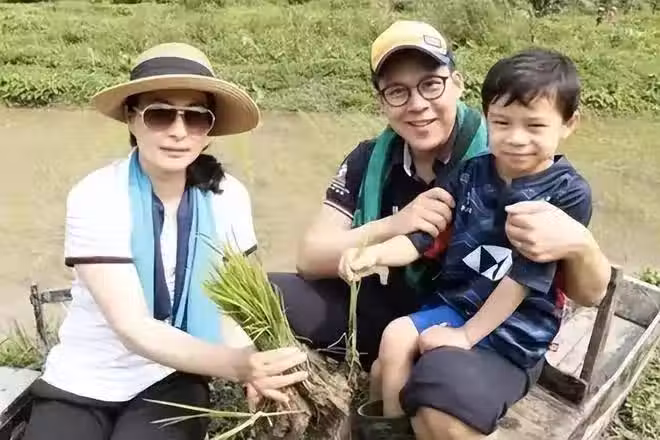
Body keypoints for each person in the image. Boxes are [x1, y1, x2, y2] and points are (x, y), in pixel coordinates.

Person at [269, 20, 611, 439]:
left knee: (432, 387)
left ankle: (421, 398)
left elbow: (571, 287)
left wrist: (465, 335)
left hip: (499, 320)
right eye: (398, 91)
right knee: (289, 299)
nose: (417, 104)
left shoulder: (530, 174)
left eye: (430, 84)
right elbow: (322, 256)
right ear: (382, 101)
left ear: (457, 84)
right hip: (426, 303)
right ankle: (384, 427)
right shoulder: (401, 163)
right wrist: (384, 235)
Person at [23, 43, 307, 440]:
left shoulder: (227, 197)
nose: (178, 131)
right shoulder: (97, 195)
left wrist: (252, 362)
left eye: (196, 117)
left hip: (173, 374)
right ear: (131, 118)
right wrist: (237, 366)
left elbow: (231, 305)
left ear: (209, 130)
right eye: (160, 114)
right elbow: (133, 326)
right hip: (84, 376)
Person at [340, 48, 592, 421]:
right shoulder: (471, 172)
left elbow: (523, 279)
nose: (516, 138)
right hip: (458, 304)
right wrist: (374, 254)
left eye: (535, 126)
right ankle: (391, 429)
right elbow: (423, 238)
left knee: (416, 366)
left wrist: (466, 335)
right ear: (486, 117)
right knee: (394, 340)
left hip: (516, 325)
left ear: (568, 124)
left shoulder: (567, 194)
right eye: (502, 122)